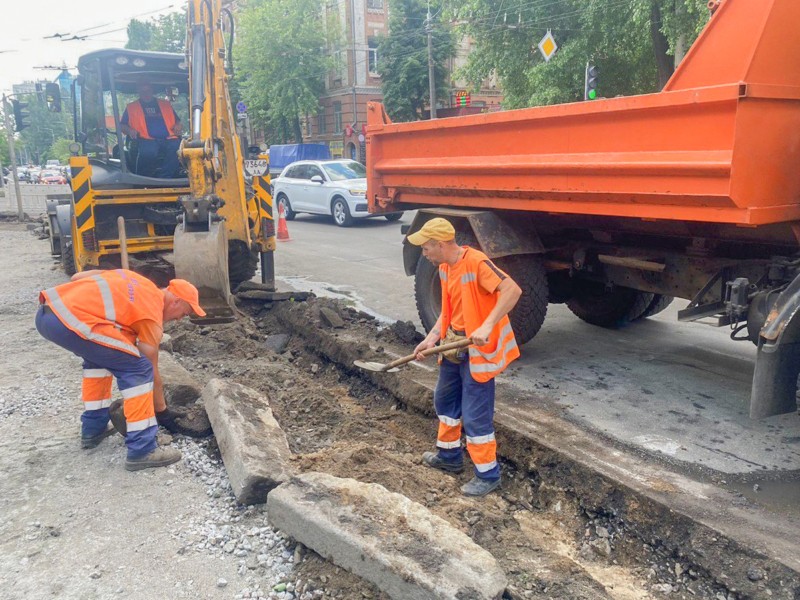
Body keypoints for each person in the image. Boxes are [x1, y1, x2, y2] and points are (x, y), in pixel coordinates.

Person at [35, 269, 206, 471]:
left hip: (48, 314)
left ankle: (93, 429)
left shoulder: (137, 280)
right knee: (138, 368)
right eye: (184, 313)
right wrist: (162, 412)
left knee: (98, 362)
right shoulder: (151, 313)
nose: (178, 320)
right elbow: (150, 368)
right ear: (176, 301)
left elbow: (77, 278)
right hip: (71, 322)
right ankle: (142, 449)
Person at [410, 218, 522, 497]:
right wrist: (430, 339)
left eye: (426, 248)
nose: (424, 254)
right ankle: (449, 457)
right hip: (453, 346)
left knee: (475, 415)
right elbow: (449, 314)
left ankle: (488, 474)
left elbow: (512, 290)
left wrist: (487, 325)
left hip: (477, 352)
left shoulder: (476, 262)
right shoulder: (446, 268)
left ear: (440, 244)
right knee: (444, 401)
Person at [120, 80, 183, 178]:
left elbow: (177, 121)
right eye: (143, 91)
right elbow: (122, 125)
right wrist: (130, 130)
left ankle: (165, 178)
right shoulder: (131, 107)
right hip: (145, 138)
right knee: (149, 151)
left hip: (169, 138)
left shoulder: (165, 105)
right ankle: (142, 178)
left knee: (178, 149)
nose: (146, 94)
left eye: (148, 91)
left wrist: (178, 126)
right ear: (138, 92)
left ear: (152, 91)